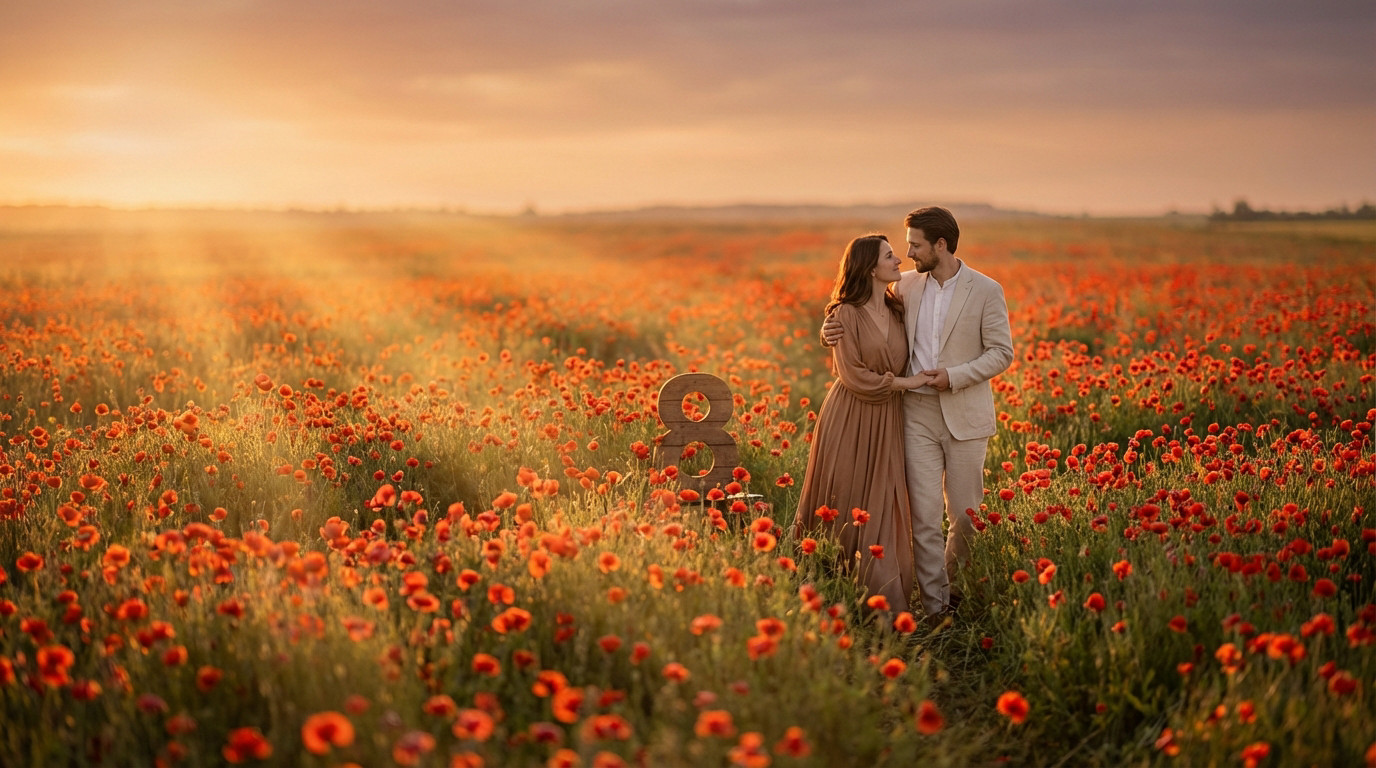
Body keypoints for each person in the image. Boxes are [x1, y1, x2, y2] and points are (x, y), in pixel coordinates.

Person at [821, 207, 1013, 621]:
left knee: (965, 516)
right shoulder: (907, 286)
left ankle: (954, 587)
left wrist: (954, 376)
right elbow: (853, 300)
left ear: (940, 245)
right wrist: (827, 329)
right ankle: (935, 608)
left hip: (964, 414)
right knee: (924, 516)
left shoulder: (986, 290)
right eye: (904, 246)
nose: (907, 254)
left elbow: (1002, 353)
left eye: (915, 245)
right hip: (915, 414)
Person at [793, 234, 929, 614]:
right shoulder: (844, 315)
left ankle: (880, 595)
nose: (899, 259)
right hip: (851, 412)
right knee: (847, 497)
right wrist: (907, 383)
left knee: (883, 500)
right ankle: (834, 589)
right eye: (890, 255)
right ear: (871, 267)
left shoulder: (900, 306)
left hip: (888, 418)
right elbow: (852, 375)